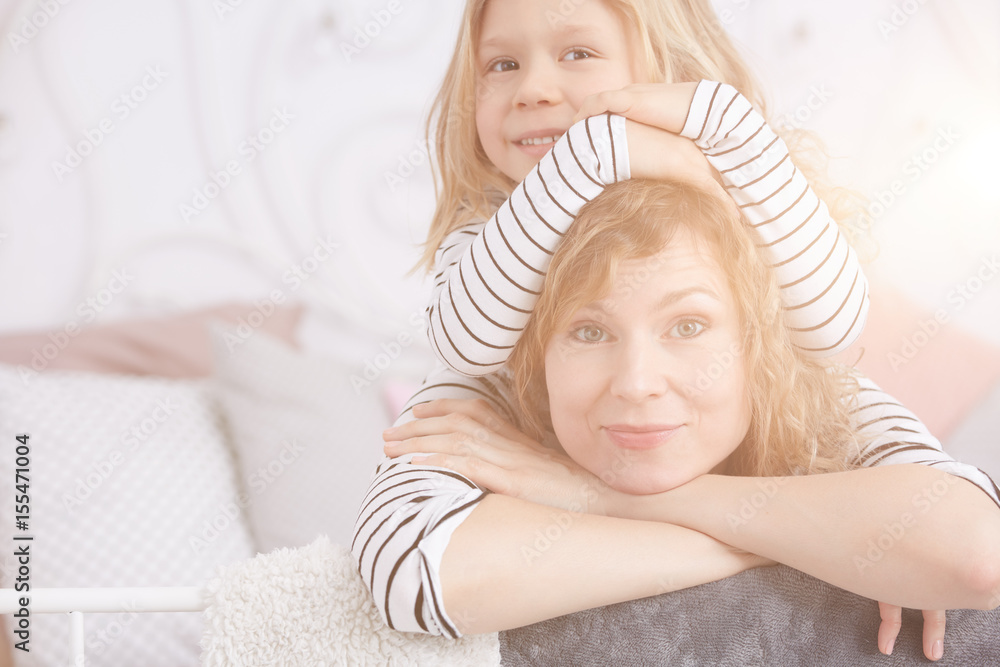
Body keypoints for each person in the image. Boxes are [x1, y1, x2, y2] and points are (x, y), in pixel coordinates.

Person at [354, 0, 873, 650]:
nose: (534, 88)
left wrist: (727, 124)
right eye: (503, 63)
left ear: (666, 69)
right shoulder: (483, 244)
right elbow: (410, 564)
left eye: (578, 53)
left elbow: (836, 333)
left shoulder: (747, 232)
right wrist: (593, 150)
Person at [381, 179, 1000, 659]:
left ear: (759, 342)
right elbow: (419, 577)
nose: (637, 383)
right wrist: (806, 544)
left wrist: (591, 496)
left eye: (688, 325)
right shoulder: (482, 407)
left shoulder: (831, 402)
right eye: (589, 331)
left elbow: (977, 555)